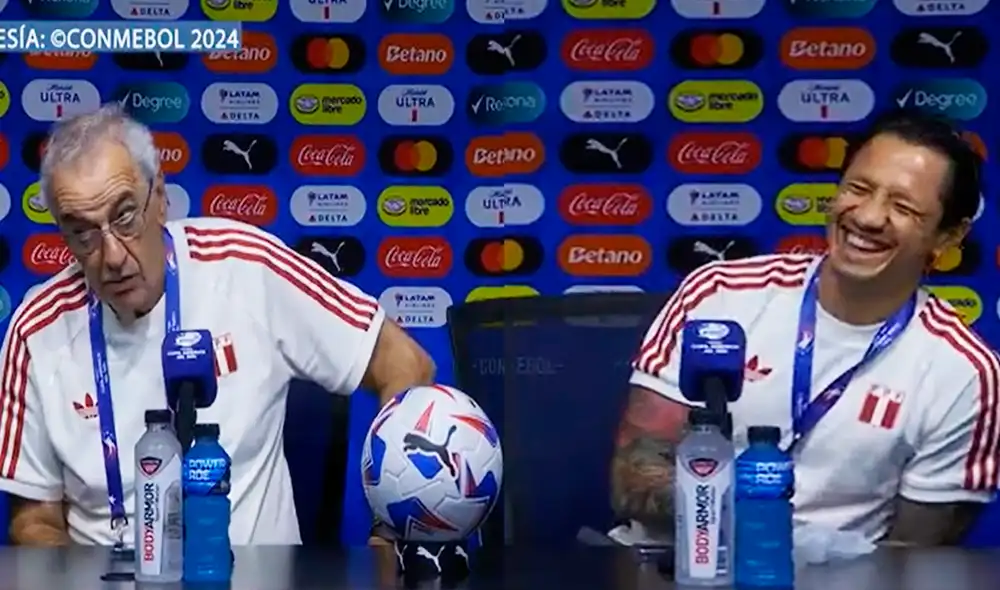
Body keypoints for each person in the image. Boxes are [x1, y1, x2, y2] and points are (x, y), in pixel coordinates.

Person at [0, 104, 436, 546]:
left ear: (160, 197)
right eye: (84, 233)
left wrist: (389, 525)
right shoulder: (36, 333)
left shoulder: (246, 265)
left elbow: (404, 363)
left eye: (125, 215)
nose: (112, 256)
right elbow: (34, 522)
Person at [610, 109, 1000, 547]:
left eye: (903, 206)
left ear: (948, 236)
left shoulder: (962, 373)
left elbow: (916, 556)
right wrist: (759, 525)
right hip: (669, 567)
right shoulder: (719, 294)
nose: (868, 217)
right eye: (858, 188)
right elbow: (633, 478)